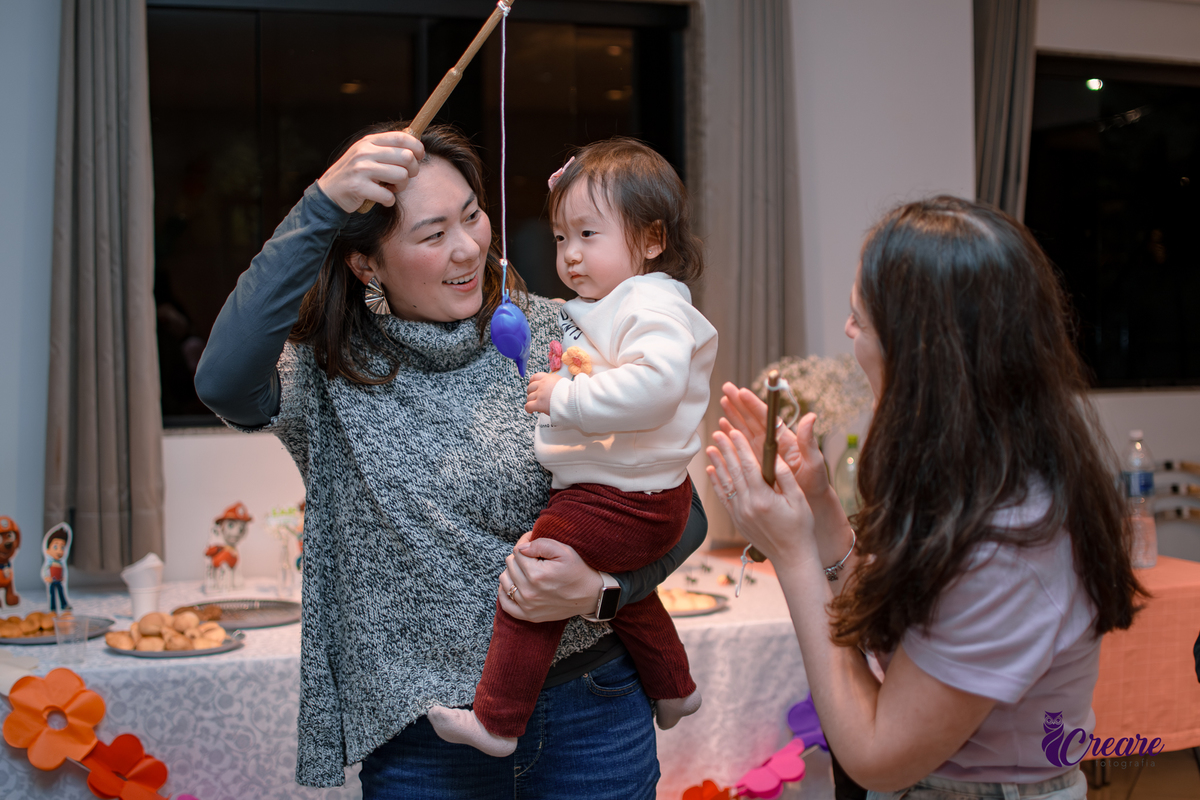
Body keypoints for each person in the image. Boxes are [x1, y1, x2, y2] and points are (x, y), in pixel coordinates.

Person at [193, 122, 706, 800]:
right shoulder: (330, 375)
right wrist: (320, 207)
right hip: (428, 745)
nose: (468, 247)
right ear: (366, 263)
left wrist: (605, 592)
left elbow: (679, 511)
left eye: (471, 216)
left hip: (595, 712)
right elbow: (223, 382)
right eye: (433, 234)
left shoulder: (558, 330)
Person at [705, 196, 1144, 800]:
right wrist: (819, 505)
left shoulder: (1010, 539)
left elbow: (878, 759)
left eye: (860, 318)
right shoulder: (977, 470)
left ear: (920, 354)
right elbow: (897, 621)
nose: (846, 332)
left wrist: (792, 553)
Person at [429, 140, 715, 756]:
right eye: (561, 239)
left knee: (537, 574)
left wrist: (567, 397)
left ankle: (498, 722)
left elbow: (657, 386)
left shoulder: (653, 301)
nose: (572, 255)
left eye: (588, 234)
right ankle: (676, 688)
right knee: (612, 594)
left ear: (653, 239)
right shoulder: (614, 303)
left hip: (625, 495)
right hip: (633, 490)